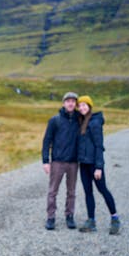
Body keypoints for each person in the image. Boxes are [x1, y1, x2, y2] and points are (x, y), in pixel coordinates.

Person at [76, 95, 120, 234]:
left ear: (90, 106)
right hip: (83, 164)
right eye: (80, 105)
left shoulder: (94, 122)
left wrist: (99, 167)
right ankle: (91, 221)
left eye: (85, 105)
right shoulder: (81, 121)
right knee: (88, 192)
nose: (82, 108)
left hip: (94, 165)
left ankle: (115, 218)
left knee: (103, 190)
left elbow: (99, 146)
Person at [42, 92, 80, 230]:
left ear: (76, 104)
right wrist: (45, 161)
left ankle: (69, 216)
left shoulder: (79, 120)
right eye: (68, 101)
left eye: (73, 101)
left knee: (71, 192)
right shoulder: (55, 120)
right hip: (57, 162)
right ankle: (50, 217)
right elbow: (47, 141)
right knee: (53, 191)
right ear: (63, 103)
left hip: (74, 162)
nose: (70, 103)